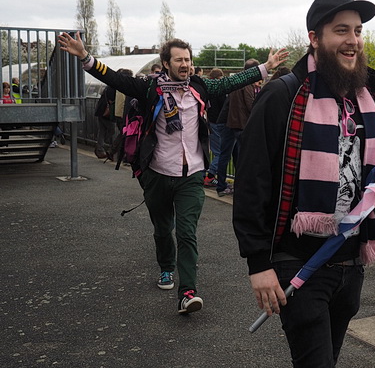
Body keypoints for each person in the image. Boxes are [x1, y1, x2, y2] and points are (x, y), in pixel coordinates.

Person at [233, 0, 375, 368]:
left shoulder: (370, 102)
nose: (353, 40)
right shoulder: (284, 95)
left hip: (350, 260)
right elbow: (252, 180)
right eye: (341, 30)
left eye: (358, 31)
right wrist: (258, 263)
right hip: (297, 261)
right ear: (314, 38)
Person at [58, 31, 288, 314]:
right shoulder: (149, 89)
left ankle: (188, 291)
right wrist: (85, 57)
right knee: (163, 228)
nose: (185, 64)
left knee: (187, 232)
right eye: (179, 60)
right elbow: (116, 79)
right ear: (166, 63)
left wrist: (266, 67)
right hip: (157, 172)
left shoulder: (199, 87)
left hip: (191, 174)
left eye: (188, 60)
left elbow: (231, 82)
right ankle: (166, 267)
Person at [215, 59, 260, 197]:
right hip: (239, 125)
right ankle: (228, 186)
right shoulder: (246, 84)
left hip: (231, 123)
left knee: (230, 156)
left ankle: (226, 184)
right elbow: (250, 104)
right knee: (237, 157)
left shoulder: (237, 81)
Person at [204, 68, 225, 187]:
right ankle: (210, 175)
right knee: (220, 152)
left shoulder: (207, 90)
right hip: (218, 122)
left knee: (214, 150)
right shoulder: (219, 91)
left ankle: (206, 174)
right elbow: (223, 105)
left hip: (211, 121)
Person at [94, 84, 117, 159]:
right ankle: (102, 146)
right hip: (107, 113)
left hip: (101, 110)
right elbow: (112, 100)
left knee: (102, 130)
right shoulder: (114, 88)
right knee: (112, 130)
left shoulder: (107, 87)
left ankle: (99, 147)